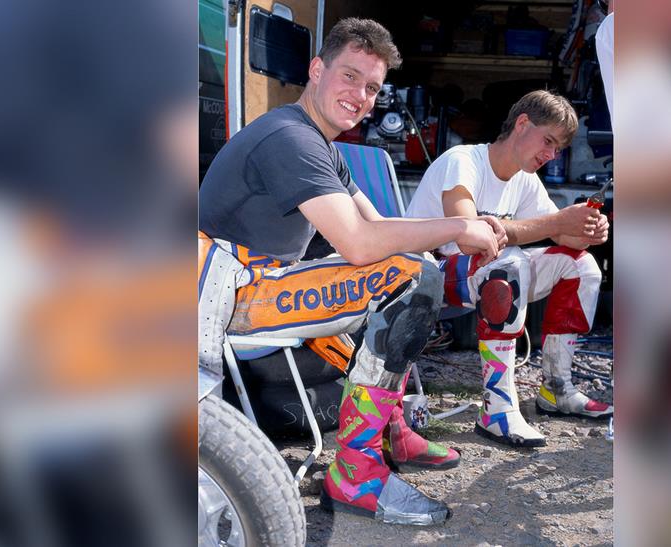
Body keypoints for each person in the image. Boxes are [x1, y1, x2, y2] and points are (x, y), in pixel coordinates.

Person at [199, 18, 507, 525]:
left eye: (372, 87)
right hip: (227, 298)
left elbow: (380, 225)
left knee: (416, 268)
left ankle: (386, 429)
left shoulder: (321, 145)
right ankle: (356, 473)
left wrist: (457, 237)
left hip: (262, 284)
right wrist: (457, 225)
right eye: (349, 77)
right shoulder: (287, 138)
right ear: (316, 70)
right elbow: (359, 243)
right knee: (411, 277)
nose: (359, 95)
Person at [406, 90, 613, 448]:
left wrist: (588, 231)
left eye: (558, 149)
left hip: (480, 274)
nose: (550, 155)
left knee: (582, 267)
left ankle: (556, 389)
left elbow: (560, 235)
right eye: (547, 141)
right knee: (509, 265)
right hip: (424, 275)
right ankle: (497, 409)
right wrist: (560, 221)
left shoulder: (525, 179)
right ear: (521, 124)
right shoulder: (464, 160)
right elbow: (470, 238)